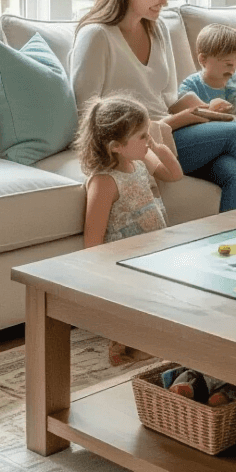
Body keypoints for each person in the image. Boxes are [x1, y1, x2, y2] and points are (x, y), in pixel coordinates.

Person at [70, 0, 236, 213]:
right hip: (133, 141)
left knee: (235, 173)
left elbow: (168, 98)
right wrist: (174, 121)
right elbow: (88, 114)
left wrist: (205, 110)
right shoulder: (97, 36)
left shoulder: (157, 28)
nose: (164, 2)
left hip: (168, 133)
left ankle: (231, 250)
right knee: (234, 134)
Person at [76, 92, 183, 364]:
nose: (148, 140)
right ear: (116, 146)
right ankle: (123, 345)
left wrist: (159, 148)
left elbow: (174, 175)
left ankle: (142, 338)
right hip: (126, 265)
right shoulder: (103, 181)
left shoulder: (140, 161)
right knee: (145, 307)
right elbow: (93, 240)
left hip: (154, 255)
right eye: (143, 136)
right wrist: (105, 282)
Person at [178, 24, 236, 131]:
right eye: (228, 64)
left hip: (233, 131)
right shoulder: (191, 86)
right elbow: (182, 115)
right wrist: (211, 109)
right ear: (203, 60)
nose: (233, 71)